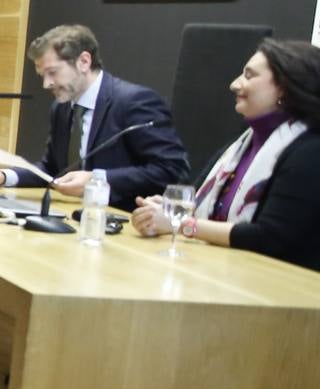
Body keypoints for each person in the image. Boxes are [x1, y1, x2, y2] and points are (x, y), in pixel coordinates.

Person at [130, 39, 320, 271]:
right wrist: (169, 209)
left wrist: (180, 224)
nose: (234, 84)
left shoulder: (310, 151)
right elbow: (200, 202)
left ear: (285, 87)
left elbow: (269, 238)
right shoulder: (243, 141)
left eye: (249, 76)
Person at [0, 24, 190, 209]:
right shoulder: (62, 108)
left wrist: (98, 179)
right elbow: (53, 170)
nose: (46, 84)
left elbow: (172, 170)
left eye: (53, 72)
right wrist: (5, 176)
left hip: (125, 221)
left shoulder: (134, 101)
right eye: (43, 76)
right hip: (76, 217)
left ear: (84, 62)